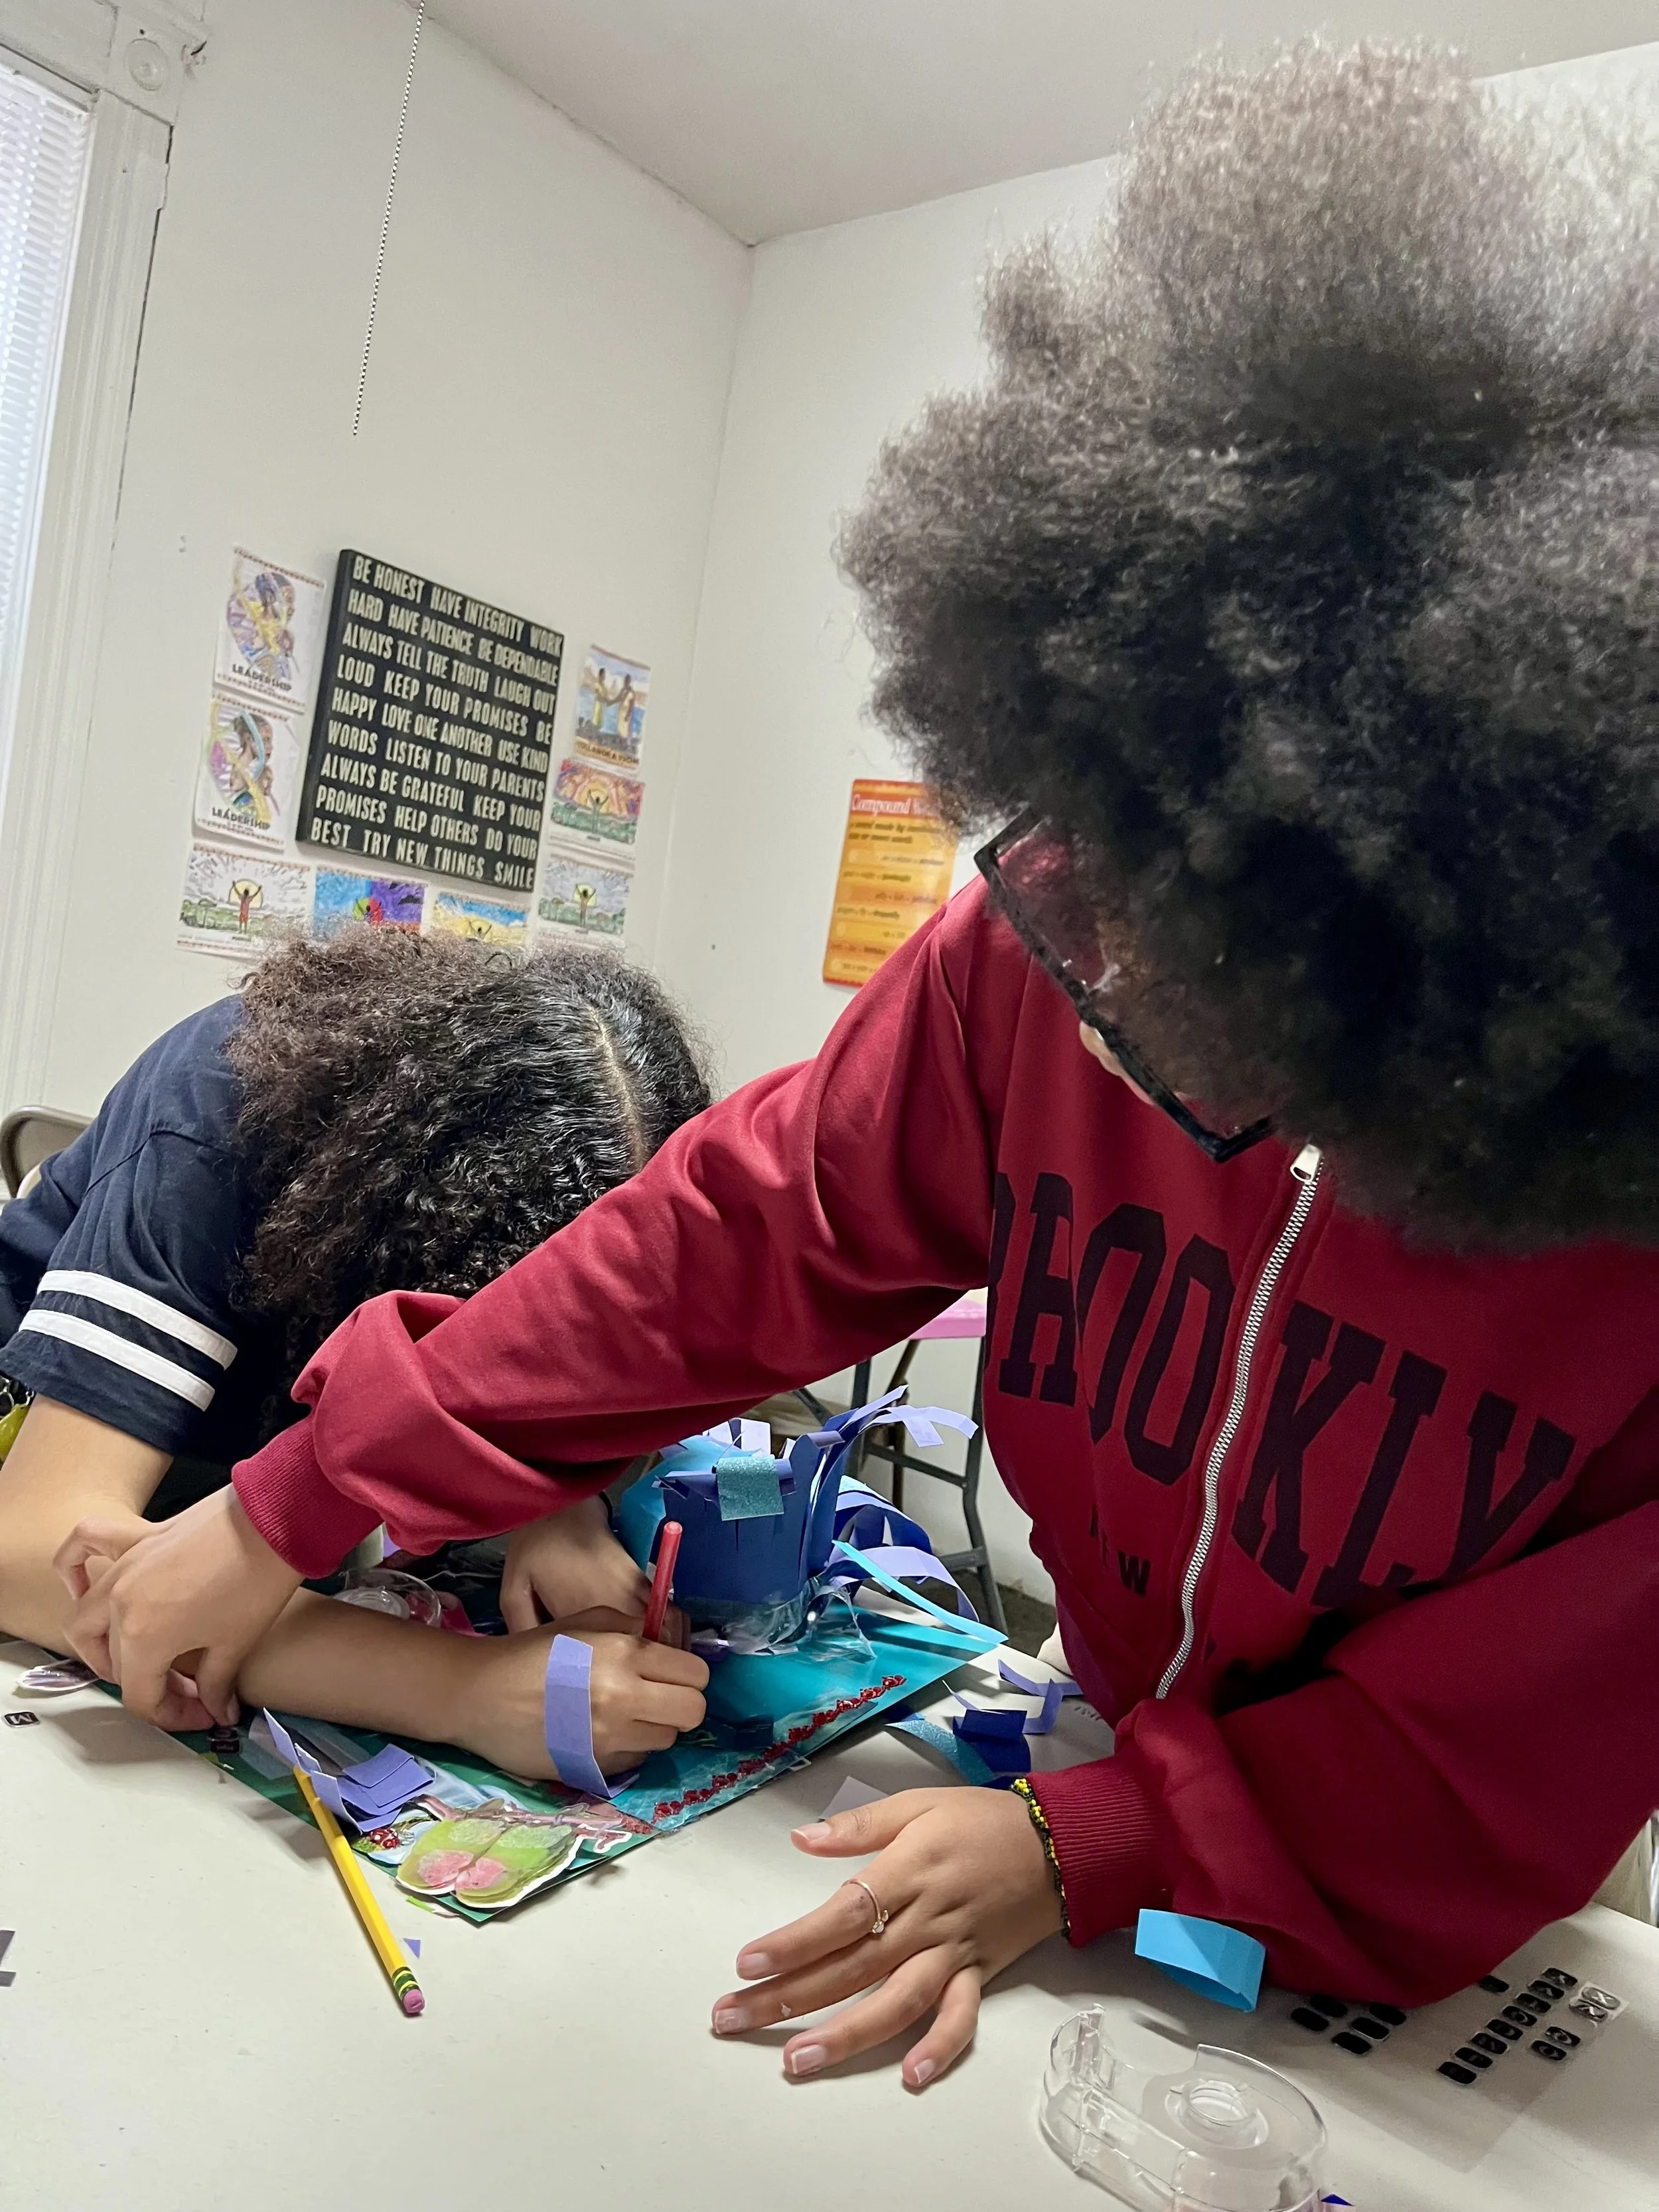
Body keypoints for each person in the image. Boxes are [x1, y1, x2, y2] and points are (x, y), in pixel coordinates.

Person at [59, 40, 1659, 2088]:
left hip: (1407, 1905)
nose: (1110, 956)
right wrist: (296, 1499)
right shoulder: (1039, 934)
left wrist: (1098, 1842)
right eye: (1094, 861)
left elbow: (1513, 1735)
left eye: (1212, 932)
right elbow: (718, 1248)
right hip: (1086, 1781)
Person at [0, 927, 711, 1773]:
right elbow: (29, 1555)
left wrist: (555, 1511)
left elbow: (522, 1345)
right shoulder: (218, 1119)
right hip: (69, 1454)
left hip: (240, 1524)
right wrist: (460, 1688)